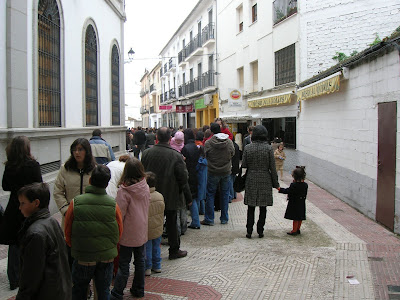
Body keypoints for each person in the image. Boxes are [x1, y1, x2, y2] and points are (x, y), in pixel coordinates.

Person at [64, 164, 123, 300]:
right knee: (103, 291)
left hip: (83, 256)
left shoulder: (76, 203)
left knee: (79, 289)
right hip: (106, 256)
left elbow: (68, 231)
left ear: (90, 180)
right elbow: (119, 231)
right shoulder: (113, 204)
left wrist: (75, 247)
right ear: (107, 182)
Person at [1, 136, 42, 290]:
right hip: (29, 206)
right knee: (29, 240)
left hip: (14, 206)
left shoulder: (10, 166)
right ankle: (28, 275)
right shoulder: (33, 165)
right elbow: (39, 186)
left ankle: (14, 278)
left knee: (14, 243)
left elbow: (5, 186)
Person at [16, 183, 71, 300]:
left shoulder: (36, 233)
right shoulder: (51, 222)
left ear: (36, 203)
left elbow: (31, 275)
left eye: (23, 203)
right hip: (59, 290)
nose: (19, 208)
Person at [141, 127, 189, 260]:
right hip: (171, 194)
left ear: (156, 137)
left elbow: (141, 173)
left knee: (148, 221)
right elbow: (183, 177)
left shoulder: (146, 154)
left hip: (150, 194)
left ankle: (146, 251)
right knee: (172, 222)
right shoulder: (176, 155)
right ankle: (174, 250)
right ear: (169, 139)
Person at [111, 157, 150, 299]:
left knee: (124, 264)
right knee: (140, 261)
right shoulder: (145, 186)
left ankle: (117, 292)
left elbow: (120, 214)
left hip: (127, 232)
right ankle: (139, 289)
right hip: (142, 229)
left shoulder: (124, 191)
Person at [54, 138, 96, 267]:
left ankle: (84, 284)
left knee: (86, 255)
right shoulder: (65, 169)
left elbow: (99, 192)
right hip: (70, 218)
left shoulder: (94, 170)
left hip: (88, 219)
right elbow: (58, 192)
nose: (77, 153)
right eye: (74, 150)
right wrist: (66, 210)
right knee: (69, 253)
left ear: (87, 151)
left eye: (80, 149)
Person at [242, 125, 279, 239]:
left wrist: (242, 180)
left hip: (251, 178)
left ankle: (249, 231)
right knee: (263, 207)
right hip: (265, 178)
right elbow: (273, 167)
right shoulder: (268, 148)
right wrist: (275, 183)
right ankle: (260, 230)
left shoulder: (248, 148)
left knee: (251, 206)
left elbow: (244, 165)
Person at [201, 123, 234, 226]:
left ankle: (209, 219)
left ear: (211, 131)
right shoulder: (228, 142)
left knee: (210, 194)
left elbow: (206, 155)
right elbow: (232, 153)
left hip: (213, 171)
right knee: (225, 194)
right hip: (226, 171)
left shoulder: (208, 143)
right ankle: (224, 218)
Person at [145, 172, 165, 276]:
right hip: (158, 226)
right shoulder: (159, 196)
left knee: (147, 247)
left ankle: (147, 267)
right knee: (157, 246)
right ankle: (157, 265)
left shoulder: (145, 197)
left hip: (147, 228)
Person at [278, 166, 308, 236]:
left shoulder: (294, 185)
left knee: (295, 218)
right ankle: (298, 229)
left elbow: (288, 191)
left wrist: (279, 189)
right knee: (300, 217)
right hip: (301, 202)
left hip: (294, 203)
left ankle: (294, 230)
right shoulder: (305, 185)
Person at [181, 129, 201, 229]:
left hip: (188, 174)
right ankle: (196, 219)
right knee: (195, 197)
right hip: (195, 173)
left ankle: (195, 222)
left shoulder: (185, 148)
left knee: (190, 198)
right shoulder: (195, 147)